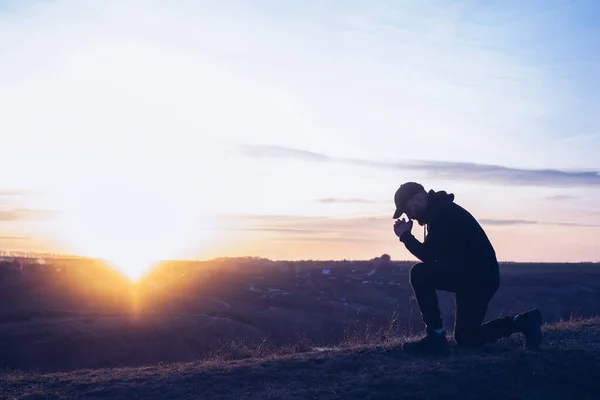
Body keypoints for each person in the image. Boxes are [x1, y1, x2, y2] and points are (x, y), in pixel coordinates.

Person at [392, 182, 543, 354]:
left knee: (419, 273)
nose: (409, 216)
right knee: (466, 337)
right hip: (479, 277)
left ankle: (435, 337)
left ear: (416, 199)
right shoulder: (440, 212)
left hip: (475, 277)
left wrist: (405, 236)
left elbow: (430, 256)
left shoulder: (443, 213)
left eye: (406, 209)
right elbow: (436, 255)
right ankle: (523, 322)